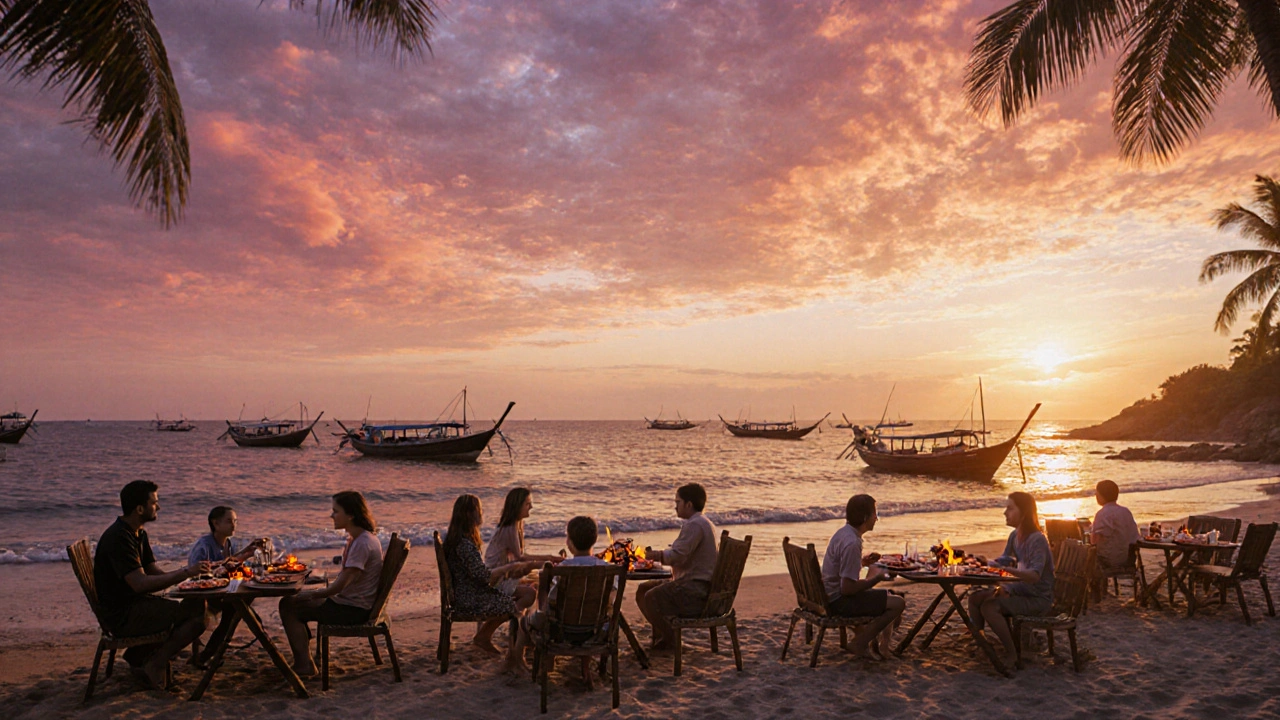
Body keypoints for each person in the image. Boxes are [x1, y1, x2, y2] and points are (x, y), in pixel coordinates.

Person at [93, 480, 211, 690]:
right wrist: (185, 573)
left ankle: (138, 655)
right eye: (154, 503)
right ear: (140, 509)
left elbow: (151, 570)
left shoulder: (137, 532)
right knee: (199, 615)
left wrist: (184, 581)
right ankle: (156, 663)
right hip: (121, 615)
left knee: (194, 602)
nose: (159, 507)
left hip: (133, 605)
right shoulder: (119, 538)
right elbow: (140, 584)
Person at [278, 491, 383, 678]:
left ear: (350, 515)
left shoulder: (362, 543)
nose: (331, 515)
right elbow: (347, 580)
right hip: (355, 603)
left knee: (288, 605)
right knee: (294, 600)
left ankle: (304, 665)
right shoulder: (360, 538)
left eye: (336, 511)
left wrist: (311, 594)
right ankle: (304, 654)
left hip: (354, 610)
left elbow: (338, 588)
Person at [442, 494, 540, 658]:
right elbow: (484, 577)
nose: (482, 513)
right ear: (469, 514)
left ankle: (491, 637)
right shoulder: (464, 544)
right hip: (468, 598)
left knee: (521, 595)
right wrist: (508, 568)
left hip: (464, 592)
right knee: (510, 605)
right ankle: (484, 637)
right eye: (479, 510)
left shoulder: (458, 539)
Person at [514, 515, 610, 676]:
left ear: (569, 542)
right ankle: (584, 668)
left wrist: (543, 587)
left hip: (562, 632)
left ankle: (516, 660)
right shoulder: (607, 569)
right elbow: (609, 601)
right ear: (594, 540)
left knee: (524, 621)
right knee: (589, 609)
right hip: (594, 631)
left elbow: (552, 602)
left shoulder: (562, 569)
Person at [968, 492, 1056, 663]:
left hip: (1038, 598)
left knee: (989, 607)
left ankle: (1012, 653)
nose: (1005, 512)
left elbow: (1034, 576)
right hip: (1020, 591)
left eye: (1010, 508)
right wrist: (985, 562)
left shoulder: (1037, 539)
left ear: (1023, 513)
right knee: (975, 598)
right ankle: (980, 642)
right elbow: (1003, 560)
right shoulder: (1015, 535)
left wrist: (1005, 570)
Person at [820, 494, 907, 659]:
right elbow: (847, 589)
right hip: (837, 601)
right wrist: (877, 578)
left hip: (827, 594)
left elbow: (841, 569)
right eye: (875, 514)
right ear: (866, 517)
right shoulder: (852, 543)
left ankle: (879, 645)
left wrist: (862, 562)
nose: (876, 519)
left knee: (890, 596)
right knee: (898, 603)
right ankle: (860, 643)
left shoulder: (843, 533)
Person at [637, 483, 717, 651]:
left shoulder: (694, 525)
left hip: (695, 590)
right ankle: (663, 636)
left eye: (678, 502)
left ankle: (670, 639)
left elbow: (678, 556)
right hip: (700, 585)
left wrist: (656, 555)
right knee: (643, 589)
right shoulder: (704, 522)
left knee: (651, 596)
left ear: (689, 504)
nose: (675, 507)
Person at [187, 506, 266, 667]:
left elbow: (228, 563)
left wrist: (248, 550)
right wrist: (243, 556)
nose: (233, 525)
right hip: (202, 593)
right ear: (215, 523)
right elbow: (198, 571)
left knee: (240, 603)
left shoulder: (226, 543)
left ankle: (209, 653)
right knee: (236, 608)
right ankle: (207, 654)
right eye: (229, 521)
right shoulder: (204, 545)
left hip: (220, 590)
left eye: (235, 521)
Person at [485, 488, 562, 606]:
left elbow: (521, 556)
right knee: (531, 593)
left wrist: (550, 558)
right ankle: (511, 613)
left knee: (536, 584)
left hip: (504, 574)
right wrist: (547, 560)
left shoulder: (517, 524)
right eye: (527, 504)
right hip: (496, 579)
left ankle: (520, 614)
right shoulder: (509, 528)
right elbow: (520, 557)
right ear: (517, 506)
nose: (531, 507)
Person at [1090, 480, 1140, 569]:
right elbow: (1135, 537)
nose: (1096, 495)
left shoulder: (1101, 514)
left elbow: (1094, 541)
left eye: (1097, 493)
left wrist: (1090, 530)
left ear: (1101, 495)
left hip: (1107, 560)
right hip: (1128, 559)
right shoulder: (1126, 512)